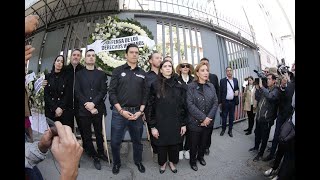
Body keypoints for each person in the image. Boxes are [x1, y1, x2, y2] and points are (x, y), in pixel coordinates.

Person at [109, 44, 148, 174]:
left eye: (136, 52)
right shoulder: (117, 71)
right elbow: (112, 92)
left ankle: (138, 161)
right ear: (126, 55)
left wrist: (140, 111)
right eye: (131, 52)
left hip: (136, 113)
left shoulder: (143, 73)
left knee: (137, 141)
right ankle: (117, 163)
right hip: (119, 113)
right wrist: (121, 111)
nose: (134, 54)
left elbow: (145, 94)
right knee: (115, 142)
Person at [148, 60, 187, 174]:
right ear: (161, 69)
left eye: (170, 66)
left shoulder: (179, 85)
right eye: (165, 66)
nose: (168, 68)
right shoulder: (155, 84)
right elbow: (150, 106)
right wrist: (153, 126)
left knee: (174, 144)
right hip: (160, 122)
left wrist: (183, 123)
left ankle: (172, 162)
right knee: (161, 145)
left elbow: (183, 106)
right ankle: (163, 163)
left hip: (175, 122)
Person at [75, 49, 108, 170]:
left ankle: (100, 152)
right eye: (88, 55)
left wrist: (93, 103)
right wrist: (87, 104)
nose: (91, 57)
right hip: (84, 110)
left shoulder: (101, 74)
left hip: (97, 108)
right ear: (85, 58)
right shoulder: (79, 74)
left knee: (99, 133)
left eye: (93, 56)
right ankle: (94, 156)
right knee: (87, 134)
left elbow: (103, 91)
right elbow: (77, 92)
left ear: (95, 58)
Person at [187, 61, 219, 171]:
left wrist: (208, 118)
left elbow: (215, 102)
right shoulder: (190, 87)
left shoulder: (211, 86)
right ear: (197, 73)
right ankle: (192, 161)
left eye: (207, 70)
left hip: (208, 122)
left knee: (203, 143)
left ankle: (200, 157)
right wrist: (203, 118)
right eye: (202, 70)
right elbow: (190, 105)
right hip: (195, 122)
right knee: (194, 144)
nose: (206, 72)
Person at [263, 72, 295, 161]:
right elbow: (280, 96)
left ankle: (279, 158)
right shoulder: (282, 85)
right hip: (281, 114)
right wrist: (283, 86)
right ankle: (272, 154)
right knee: (276, 135)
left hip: (290, 117)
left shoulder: (293, 84)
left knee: (284, 138)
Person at [249, 74, 279, 161]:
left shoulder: (276, 90)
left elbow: (270, 96)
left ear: (274, 81)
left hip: (267, 119)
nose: (268, 80)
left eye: (270, 79)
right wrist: (258, 88)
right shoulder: (266, 88)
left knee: (264, 137)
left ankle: (260, 154)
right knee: (257, 133)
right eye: (267, 79)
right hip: (259, 117)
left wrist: (262, 87)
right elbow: (258, 98)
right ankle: (255, 147)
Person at [44, 55, 72, 128]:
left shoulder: (66, 77)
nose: (59, 63)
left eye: (62, 62)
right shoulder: (48, 76)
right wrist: (55, 108)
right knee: (52, 134)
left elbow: (67, 95)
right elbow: (46, 95)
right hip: (50, 110)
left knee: (62, 133)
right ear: (54, 63)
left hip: (62, 111)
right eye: (58, 61)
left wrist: (60, 108)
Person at [199, 57, 220, 154]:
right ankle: (200, 146)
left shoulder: (214, 77)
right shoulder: (197, 78)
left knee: (209, 129)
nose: (205, 65)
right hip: (200, 109)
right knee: (200, 129)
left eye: (206, 63)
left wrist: (216, 105)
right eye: (203, 63)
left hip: (211, 109)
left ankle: (207, 146)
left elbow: (218, 91)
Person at [144, 52, 162, 162]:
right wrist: (143, 112)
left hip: (165, 111)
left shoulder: (165, 74)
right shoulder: (146, 77)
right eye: (157, 58)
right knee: (154, 134)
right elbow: (144, 95)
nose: (160, 59)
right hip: (152, 111)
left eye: (161, 58)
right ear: (150, 61)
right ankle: (157, 153)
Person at [175, 60, 194, 160]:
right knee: (180, 131)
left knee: (190, 131)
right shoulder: (176, 79)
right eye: (183, 66)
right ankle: (180, 149)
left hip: (191, 110)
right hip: (180, 109)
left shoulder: (193, 79)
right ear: (180, 68)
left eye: (187, 66)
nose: (185, 67)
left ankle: (187, 149)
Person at [219, 67, 239, 137]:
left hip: (232, 102)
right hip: (225, 102)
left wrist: (237, 92)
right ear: (226, 72)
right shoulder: (222, 81)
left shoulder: (235, 80)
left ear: (232, 71)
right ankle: (223, 129)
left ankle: (230, 130)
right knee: (224, 117)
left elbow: (237, 88)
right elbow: (220, 92)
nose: (229, 72)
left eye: (230, 71)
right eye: (228, 71)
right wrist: (220, 102)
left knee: (231, 117)